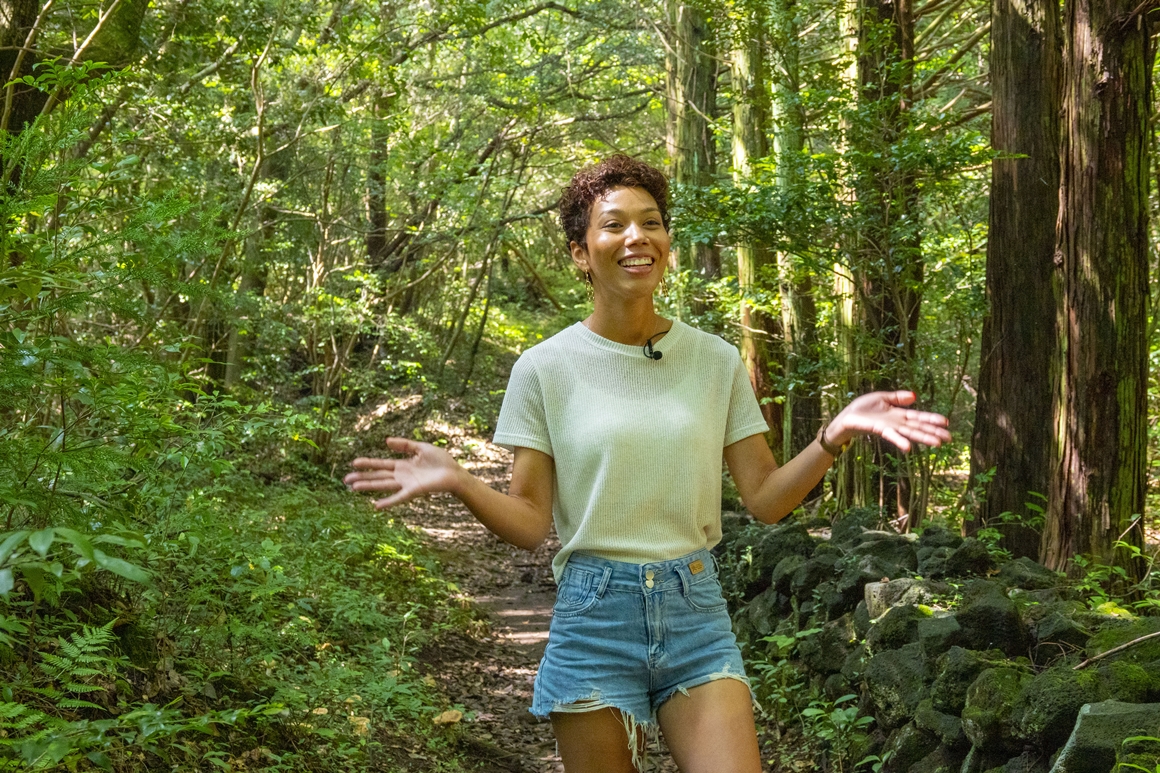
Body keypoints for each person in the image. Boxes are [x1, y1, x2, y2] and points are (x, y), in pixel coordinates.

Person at [344, 155, 951, 773]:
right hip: (594, 615)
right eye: (614, 225)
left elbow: (766, 499)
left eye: (651, 222)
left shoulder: (713, 361)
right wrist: (461, 480)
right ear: (582, 252)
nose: (637, 237)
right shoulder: (544, 369)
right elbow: (530, 522)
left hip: (695, 611)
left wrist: (835, 433)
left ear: (666, 241)